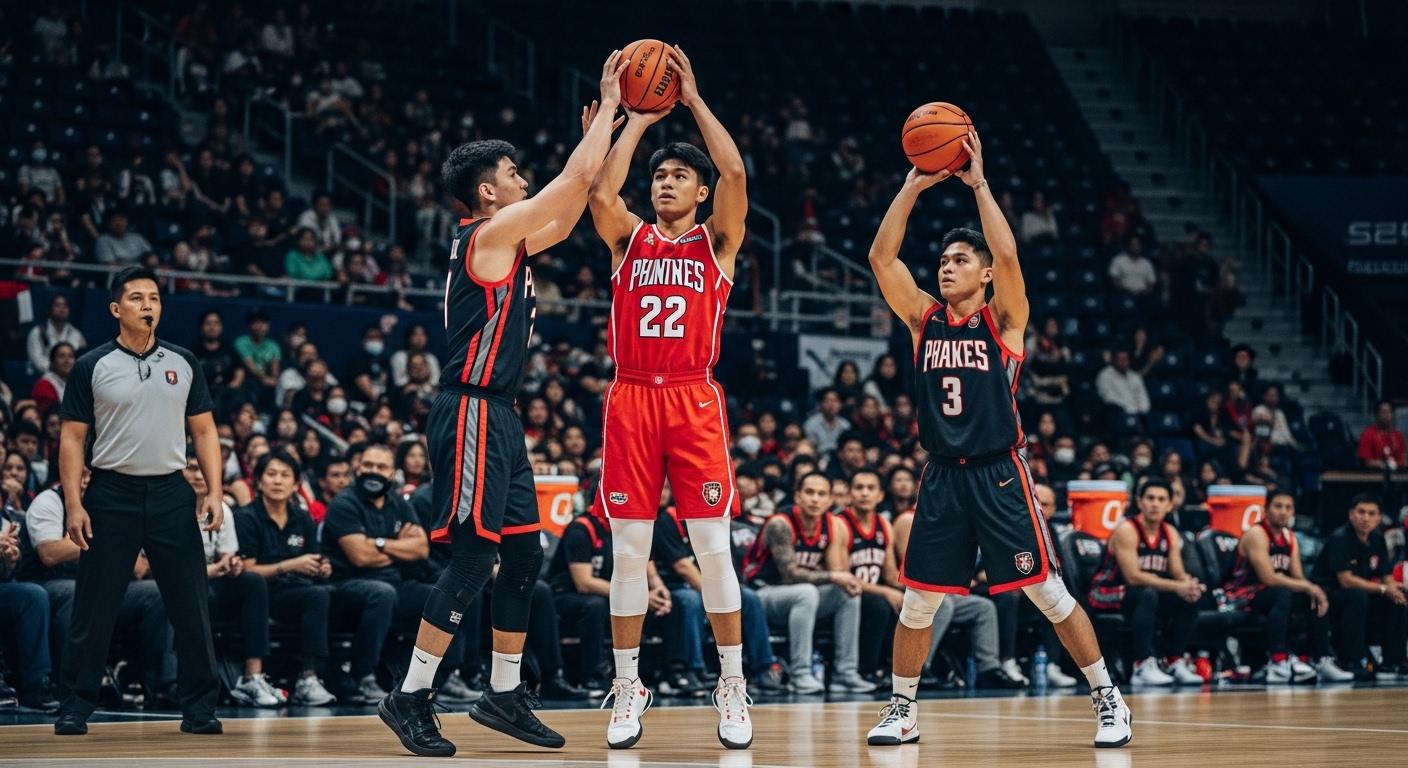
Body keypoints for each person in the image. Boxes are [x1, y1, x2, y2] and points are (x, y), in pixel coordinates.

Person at [379, 51, 628, 758]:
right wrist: (610, 107)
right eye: (515, 174)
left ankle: (504, 694)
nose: (524, 181)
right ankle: (410, 696)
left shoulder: (510, 242)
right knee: (470, 563)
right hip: (470, 412)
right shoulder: (486, 237)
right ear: (488, 193)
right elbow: (569, 183)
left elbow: (573, 209)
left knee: (524, 557)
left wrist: (614, 134)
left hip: (503, 417)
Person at [865, 133, 1130, 747]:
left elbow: (1008, 256)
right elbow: (882, 257)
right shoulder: (923, 319)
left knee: (1047, 592)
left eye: (960, 260)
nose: (946, 267)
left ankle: (1107, 698)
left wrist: (979, 183)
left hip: (999, 472)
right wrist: (912, 185)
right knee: (918, 602)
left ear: (984, 275)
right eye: (943, 260)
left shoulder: (1003, 321)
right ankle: (902, 710)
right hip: (943, 475)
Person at [583, 44, 754, 750]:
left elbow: (735, 170)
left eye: (680, 175)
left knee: (712, 547)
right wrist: (632, 120)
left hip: (691, 399)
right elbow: (600, 195)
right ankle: (628, 685)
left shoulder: (717, 244)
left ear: (701, 193)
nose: (665, 183)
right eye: (659, 175)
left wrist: (692, 100)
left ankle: (732, 682)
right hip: (630, 398)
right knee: (629, 552)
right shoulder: (628, 240)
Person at [53, 266, 224, 736]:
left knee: (190, 604)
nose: (147, 304)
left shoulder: (184, 361)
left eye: (154, 297)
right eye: (136, 298)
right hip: (111, 492)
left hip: (171, 491)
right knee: (94, 604)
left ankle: (200, 708)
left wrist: (214, 490)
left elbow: (205, 431)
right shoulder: (92, 365)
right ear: (116, 309)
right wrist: (74, 502)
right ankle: (75, 704)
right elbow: (71, 439)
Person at [23, 471, 173, 711]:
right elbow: (49, 553)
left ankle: (163, 687)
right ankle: (76, 686)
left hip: (105, 585)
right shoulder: (49, 501)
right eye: (80, 473)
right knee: (77, 592)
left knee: (155, 593)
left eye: (91, 474)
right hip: (53, 585)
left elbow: (140, 567)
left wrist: (101, 544)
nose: (85, 479)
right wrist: (104, 540)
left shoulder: (112, 504)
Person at [323, 444, 438, 704]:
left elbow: (421, 549)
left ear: (392, 473)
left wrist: (378, 544)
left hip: (394, 582)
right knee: (382, 594)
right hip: (347, 585)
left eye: (381, 467)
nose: (373, 472)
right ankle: (363, 676)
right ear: (357, 468)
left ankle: (437, 676)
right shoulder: (344, 503)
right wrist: (399, 546)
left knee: (440, 596)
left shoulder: (398, 502)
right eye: (368, 465)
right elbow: (360, 556)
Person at [742, 472, 874, 695]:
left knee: (846, 593)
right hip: (762, 595)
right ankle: (800, 674)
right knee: (807, 592)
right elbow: (790, 575)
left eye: (821, 494)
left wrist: (840, 579)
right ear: (797, 497)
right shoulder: (780, 523)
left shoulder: (831, 525)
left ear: (830, 500)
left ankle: (845, 673)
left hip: (800, 599)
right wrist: (833, 576)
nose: (815, 499)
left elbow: (836, 571)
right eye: (809, 492)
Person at [230, 451, 340, 705]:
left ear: (296, 484)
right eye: (271, 474)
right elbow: (247, 570)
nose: (278, 481)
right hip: (256, 594)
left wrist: (321, 568)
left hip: (293, 591)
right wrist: (291, 565)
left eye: (285, 475)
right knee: (304, 594)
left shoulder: (302, 518)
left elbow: (313, 557)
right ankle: (284, 678)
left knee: (325, 594)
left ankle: (316, 678)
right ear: (258, 482)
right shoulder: (246, 517)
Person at [1086, 480, 1205, 686]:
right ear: (1139, 502)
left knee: (1188, 598)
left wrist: (1191, 585)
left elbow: (1177, 573)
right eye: (1150, 498)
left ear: (1170, 505)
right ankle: (1142, 665)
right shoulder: (1127, 530)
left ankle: (1173, 660)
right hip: (1105, 592)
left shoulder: (1169, 531)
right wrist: (1179, 586)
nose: (1155, 504)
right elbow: (1132, 576)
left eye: (1161, 499)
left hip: (1145, 594)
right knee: (1147, 593)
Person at [1221, 490, 1347, 682]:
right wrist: (1308, 587)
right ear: (1266, 510)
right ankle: (1278, 660)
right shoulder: (1256, 534)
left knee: (1313, 596)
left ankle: (1322, 659)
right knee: (1283, 594)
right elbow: (1268, 578)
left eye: (1288, 507)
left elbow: (1298, 577)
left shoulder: (1289, 537)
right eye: (1278, 506)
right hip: (1240, 596)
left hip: (1270, 595)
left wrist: (1315, 591)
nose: (1283, 512)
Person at [1314, 494, 1408, 680]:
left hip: (1363, 593)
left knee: (1398, 599)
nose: (1366, 518)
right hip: (1329, 595)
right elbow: (1346, 580)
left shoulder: (1378, 538)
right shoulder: (1339, 538)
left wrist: (1395, 587)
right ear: (1351, 514)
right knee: (1357, 596)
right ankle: (1355, 660)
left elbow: (1386, 576)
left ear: (1379, 517)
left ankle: (1392, 661)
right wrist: (1383, 589)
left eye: (1371, 513)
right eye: (1361, 512)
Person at [841, 469, 903, 682]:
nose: (864, 493)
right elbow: (843, 576)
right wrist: (886, 592)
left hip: (874, 589)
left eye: (870, 488)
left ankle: (898, 670)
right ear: (849, 494)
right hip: (848, 592)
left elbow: (891, 574)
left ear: (880, 495)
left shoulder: (884, 525)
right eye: (859, 488)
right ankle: (868, 669)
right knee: (880, 606)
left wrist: (919, 588)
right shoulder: (840, 523)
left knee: (911, 602)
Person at [1, 499, 61, 711]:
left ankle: (36, 684)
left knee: (33, 596)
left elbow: (6, 575)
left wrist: (8, 559)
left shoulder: (5, 520)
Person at [26, 294, 86, 373]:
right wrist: (58, 371)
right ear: (50, 309)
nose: (62, 309)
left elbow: (75, 358)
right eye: (57, 305)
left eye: (65, 306)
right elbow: (37, 360)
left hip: (68, 376)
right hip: (42, 376)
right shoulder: (37, 332)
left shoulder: (76, 334)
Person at [1095, 350, 1151, 417]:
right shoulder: (1105, 375)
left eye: (1125, 359)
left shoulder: (1135, 376)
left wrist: (1143, 409)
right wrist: (1131, 409)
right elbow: (1109, 398)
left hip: (1139, 414)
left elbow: (1143, 396)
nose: (1123, 362)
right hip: (1117, 414)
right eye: (1120, 359)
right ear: (1114, 360)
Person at [1357, 400, 1405, 470]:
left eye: (1389, 412)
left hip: (1397, 473)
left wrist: (1397, 464)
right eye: (1383, 412)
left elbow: (1403, 460)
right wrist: (1388, 465)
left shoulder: (1398, 435)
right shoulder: (1367, 434)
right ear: (1376, 415)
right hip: (1374, 474)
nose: (1386, 415)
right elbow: (1367, 462)